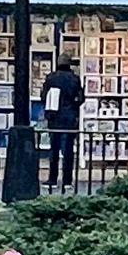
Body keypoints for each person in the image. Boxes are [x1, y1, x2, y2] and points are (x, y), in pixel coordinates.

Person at [40, 57, 85, 187]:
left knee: (54, 149)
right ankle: (67, 181)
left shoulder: (51, 78)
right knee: (68, 150)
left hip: (54, 117)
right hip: (69, 118)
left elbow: (43, 96)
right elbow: (81, 98)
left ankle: (52, 179)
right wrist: (73, 106)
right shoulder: (75, 79)